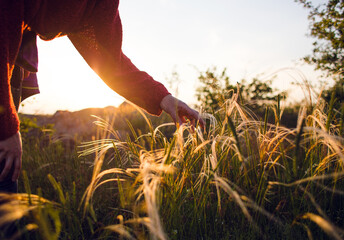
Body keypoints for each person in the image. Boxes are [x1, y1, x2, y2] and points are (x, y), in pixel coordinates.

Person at [0, 0, 204, 193]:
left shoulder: (101, 4)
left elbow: (111, 63)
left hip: (11, 57)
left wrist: (165, 98)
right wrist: (5, 126)